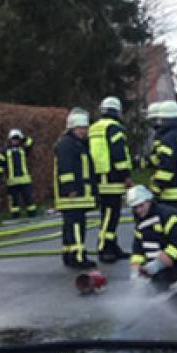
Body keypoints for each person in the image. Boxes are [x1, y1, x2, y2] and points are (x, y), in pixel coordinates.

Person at [127, 185, 177, 289]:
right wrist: (136, 270)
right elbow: (138, 248)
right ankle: (167, 272)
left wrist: (157, 265)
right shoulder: (141, 222)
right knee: (159, 282)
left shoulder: (168, 215)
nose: (138, 210)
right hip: (166, 248)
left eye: (141, 205)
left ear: (149, 201)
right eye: (135, 207)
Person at [89, 96, 133, 262]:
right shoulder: (114, 128)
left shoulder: (94, 128)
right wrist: (126, 175)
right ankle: (104, 247)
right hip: (113, 178)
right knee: (111, 215)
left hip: (98, 177)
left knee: (106, 214)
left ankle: (112, 246)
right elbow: (119, 154)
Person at [54, 108, 98, 269]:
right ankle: (79, 257)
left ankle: (69, 254)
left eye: (85, 128)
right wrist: (69, 188)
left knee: (70, 226)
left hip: (78, 194)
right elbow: (66, 169)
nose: (84, 131)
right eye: (81, 128)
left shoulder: (77, 144)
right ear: (73, 128)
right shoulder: (68, 144)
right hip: (73, 195)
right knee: (77, 226)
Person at [147, 100, 177, 218]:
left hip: (172, 194)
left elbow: (166, 169)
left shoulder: (168, 139)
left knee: (171, 229)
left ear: (163, 119)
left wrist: (155, 189)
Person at [0, 129, 37, 219]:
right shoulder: (4, 152)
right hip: (12, 181)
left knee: (28, 198)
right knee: (14, 201)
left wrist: (22, 137)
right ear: (9, 140)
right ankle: (15, 216)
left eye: (17, 139)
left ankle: (32, 214)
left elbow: (31, 142)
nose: (15, 141)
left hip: (25, 180)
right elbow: (0, 164)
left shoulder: (23, 149)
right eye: (13, 139)